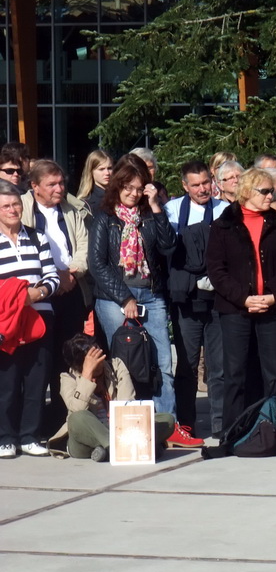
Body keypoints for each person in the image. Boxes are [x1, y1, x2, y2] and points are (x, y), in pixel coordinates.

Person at [89, 154, 202, 449]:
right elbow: (97, 264)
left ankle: (167, 425)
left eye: (140, 188)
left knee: (162, 362)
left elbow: (168, 246)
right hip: (116, 298)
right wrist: (124, 297)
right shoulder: (105, 217)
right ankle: (130, 426)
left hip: (151, 295)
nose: (134, 193)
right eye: (129, 187)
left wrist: (155, 207)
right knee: (124, 366)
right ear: (118, 185)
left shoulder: (149, 214)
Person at [206, 168, 276, 423]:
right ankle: (233, 432)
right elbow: (216, 270)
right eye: (266, 191)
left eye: (274, 191)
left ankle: (275, 429)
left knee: (274, 374)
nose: (273, 196)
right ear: (247, 192)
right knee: (235, 374)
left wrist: (272, 296)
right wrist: (244, 298)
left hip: (272, 308)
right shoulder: (223, 225)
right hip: (235, 310)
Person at [21, 159, 92, 430]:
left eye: (61, 182)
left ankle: (66, 418)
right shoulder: (22, 209)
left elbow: (83, 245)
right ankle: (35, 424)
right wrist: (52, 278)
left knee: (67, 356)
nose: (59, 188)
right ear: (35, 186)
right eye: (51, 184)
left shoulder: (72, 208)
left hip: (72, 288)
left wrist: (73, 272)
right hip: (38, 294)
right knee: (40, 359)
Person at [164, 161, 228, 438]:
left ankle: (220, 426)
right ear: (184, 186)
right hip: (187, 301)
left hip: (218, 300)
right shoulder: (174, 210)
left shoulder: (225, 210)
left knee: (219, 367)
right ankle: (186, 425)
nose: (203, 189)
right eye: (196, 184)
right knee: (187, 367)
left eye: (206, 183)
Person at [0, 179, 59, 458]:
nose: (13, 209)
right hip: (6, 324)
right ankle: (5, 437)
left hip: (39, 318)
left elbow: (53, 276)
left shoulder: (37, 237)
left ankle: (30, 435)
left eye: (16, 204)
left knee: (37, 381)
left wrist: (37, 294)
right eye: (6, 205)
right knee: (7, 382)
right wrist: (12, 299)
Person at [47, 334, 175, 460]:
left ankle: (109, 449)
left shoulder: (116, 365)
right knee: (76, 418)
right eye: (93, 359)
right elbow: (77, 409)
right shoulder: (68, 378)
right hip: (86, 440)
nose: (100, 361)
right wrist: (87, 375)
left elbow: (127, 404)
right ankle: (137, 446)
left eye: (99, 355)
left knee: (167, 419)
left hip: (121, 429)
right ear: (80, 365)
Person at [76, 150, 114, 216]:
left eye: (109, 168)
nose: (107, 173)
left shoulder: (120, 196)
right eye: (101, 169)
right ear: (91, 171)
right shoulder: (86, 203)